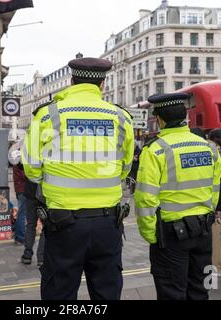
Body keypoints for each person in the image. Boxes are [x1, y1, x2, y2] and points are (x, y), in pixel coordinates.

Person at [22, 57, 135, 300]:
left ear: (72, 81)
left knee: (59, 293)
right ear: (102, 85)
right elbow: (124, 169)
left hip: (63, 223)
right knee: (107, 293)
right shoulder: (121, 118)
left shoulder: (47, 115)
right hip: (108, 223)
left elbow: (31, 170)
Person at [135, 93, 221, 300]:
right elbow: (215, 188)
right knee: (201, 289)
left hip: (171, 235)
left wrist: (150, 234)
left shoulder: (155, 150)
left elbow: (146, 198)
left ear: (160, 119)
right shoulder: (209, 147)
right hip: (203, 229)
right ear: (185, 116)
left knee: (172, 292)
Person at [21, 177, 45, 267]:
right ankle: (41, 258)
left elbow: (19, 165)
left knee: (31, 225)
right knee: (45, 227)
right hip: (44, 194)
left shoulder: (29, 162)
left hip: (31, 194)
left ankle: (27, 255)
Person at [12, 163, 26, 245]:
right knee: (22, 214)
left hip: (19, 189)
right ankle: (21, 238)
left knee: (21, 213)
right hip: (23, 189)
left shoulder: (15, 161)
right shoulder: (20, 162)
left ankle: (17, 237)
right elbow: (25, 176)